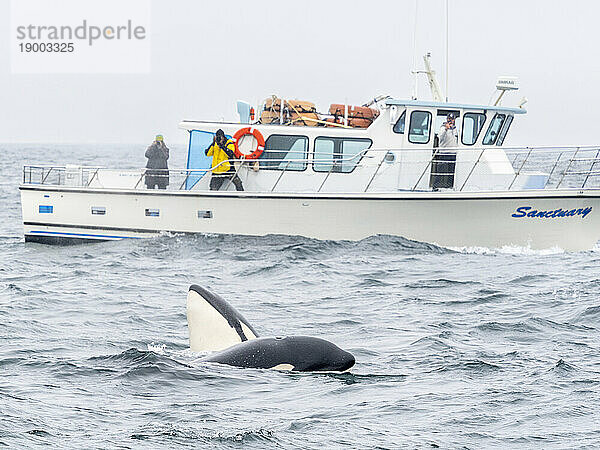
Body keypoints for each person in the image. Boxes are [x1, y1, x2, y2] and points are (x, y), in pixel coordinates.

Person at [431, 114, 458, 189]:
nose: (451, 120)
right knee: (440, 171)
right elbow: (440, 137)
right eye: (449, 119)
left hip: (453, 153)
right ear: (447, 119)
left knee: (451, 172)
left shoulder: (455, 129)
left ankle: (450, 186)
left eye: (452, 119)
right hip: (444, 152)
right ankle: (435, 186)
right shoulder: (442, 128)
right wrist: (446, 129)